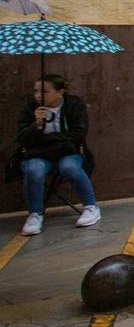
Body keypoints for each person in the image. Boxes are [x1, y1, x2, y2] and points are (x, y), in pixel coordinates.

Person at [16, 74, 101, 235]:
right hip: (38, 154)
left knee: (69, 167)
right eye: (36, 91)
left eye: (45, 91)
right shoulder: (31, 109)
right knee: (34, 169)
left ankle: (90, 206)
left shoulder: (73, 105)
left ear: (60, 92)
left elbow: (79, 133)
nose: (39, 95)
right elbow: (22, 139)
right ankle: (35, 214)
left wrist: (51, 139)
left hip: (67, 152)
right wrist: (36, 125)